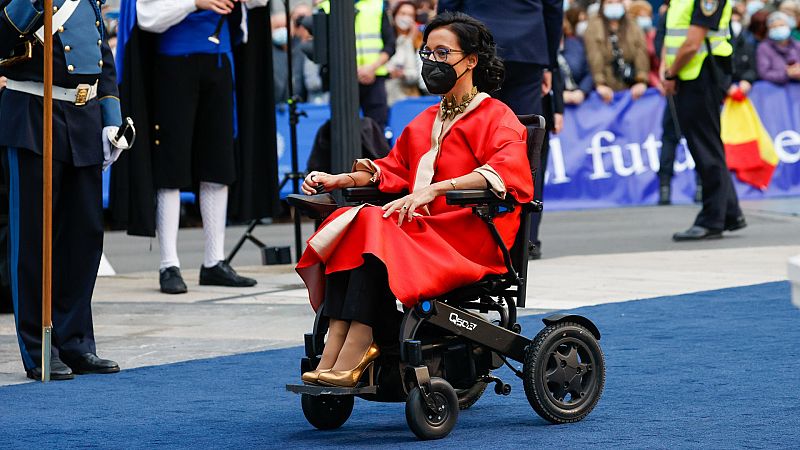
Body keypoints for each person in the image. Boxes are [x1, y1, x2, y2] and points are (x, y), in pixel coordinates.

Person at [295, 12, 533, 387]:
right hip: (423, 231)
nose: (432, 62)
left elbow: (506, 172)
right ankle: (338, 340)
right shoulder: (425, 120)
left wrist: (436, 188)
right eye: (428, 53)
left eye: (443, 53)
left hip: (469, 237)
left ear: (471, 60)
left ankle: (360, 339)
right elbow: (393, 169)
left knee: (369, 221)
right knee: (356, 222)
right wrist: (341, 178)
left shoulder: (496, 116)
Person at [0, 0, 124, 380]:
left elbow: (102, 55)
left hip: (84, 117)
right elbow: (3, 35)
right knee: (33, 239)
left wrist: (111, 118)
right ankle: (39, 346)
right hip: (34, 112)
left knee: (83, 237)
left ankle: (76, 342)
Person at [114, 0, 270, 294]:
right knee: (170, 167)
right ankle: (168, 264)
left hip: (219, 62)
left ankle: (214, 261)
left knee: (218, 166)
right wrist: (195, 2)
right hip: (173, 65)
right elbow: (146, 17)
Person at [663, 0, 747, 240]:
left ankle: (712, 219)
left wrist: (670, 73)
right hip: (688, 74)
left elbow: (692, 43)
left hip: (703, 73)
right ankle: (729, 212)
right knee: (705, 145)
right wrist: (667, 69)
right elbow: (672, 36)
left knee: (705, 148)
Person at [438, 0, 564, 116]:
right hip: (527, 48)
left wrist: (445, 58)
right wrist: (549, 65)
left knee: (475, 122)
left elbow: (448, 6)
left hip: (478, 44)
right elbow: (554, 9)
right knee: (525, 125)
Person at [584, 0, 650, 103]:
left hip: (631, 86)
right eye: (609, 2)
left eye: (618, 1)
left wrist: (641, 81)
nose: (614, 5)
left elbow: (641, 53)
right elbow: (594, 57)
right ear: (602, 5)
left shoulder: (633, 24)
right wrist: (600, 84)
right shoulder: (594, 26)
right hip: (606, 88)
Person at [385, 1, 425, 105]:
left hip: (408, 99)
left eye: (410, 15)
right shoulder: (387, 40)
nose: (406, 18)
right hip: (387, 96)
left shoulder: (419, 42)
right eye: (403, 13)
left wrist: (409, 40)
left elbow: (417, 75)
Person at [559, 14, 594, 106]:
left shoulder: (575, 44)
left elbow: (588, 72)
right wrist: (557, 96)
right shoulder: (539, 49)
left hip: (580, 101)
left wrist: (582, 91)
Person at [756, 11, 800, 83]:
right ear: (769, 30)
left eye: (781, 25)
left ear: (789, 27)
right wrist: (786, 74)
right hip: (775, 87)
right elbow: (764, 73)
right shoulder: (764, 48)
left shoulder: (797, 45)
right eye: (774, 27)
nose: (778, 28)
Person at [628, 0, 661, 88]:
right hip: (638, 84)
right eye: (641, 16)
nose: (645, 19)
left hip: (659, 80)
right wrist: (656, 82)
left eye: (647, 16)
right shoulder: (628, 39)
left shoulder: (655, 35)